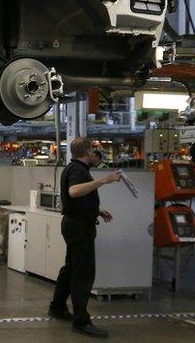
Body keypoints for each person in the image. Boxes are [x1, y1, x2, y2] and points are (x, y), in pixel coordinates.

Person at [48, 136, 121, 338]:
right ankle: (81, 321)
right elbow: (74, 191)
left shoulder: (74, 169)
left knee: (71, 267)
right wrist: (105, 180)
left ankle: (57, 307)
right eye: (93, 150)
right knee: (83, 273)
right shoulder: (78, 171)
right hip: (79, 227)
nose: (95, 154)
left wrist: (96, 209)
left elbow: (78, 197)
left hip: (74, 223)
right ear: (87, 152)